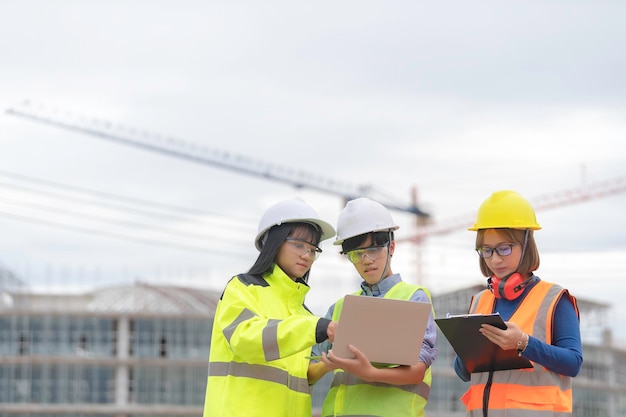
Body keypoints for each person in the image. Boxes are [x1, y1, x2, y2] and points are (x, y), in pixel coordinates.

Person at [203, 198, 338, 417]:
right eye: (298, 245)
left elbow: (297, 377)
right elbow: (246, 340)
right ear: (273, 243)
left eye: (313, 249)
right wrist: (315, 328)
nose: (307, 255)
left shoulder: (303, 313)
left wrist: (325, 365)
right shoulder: (243, 288)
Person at [454, 190, 583, 416]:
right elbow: (464, 373)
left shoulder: (554, 299)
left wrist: (524, 343)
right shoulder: (479, 301)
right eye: (487, 250)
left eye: (504, 248)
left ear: (526, 243)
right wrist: (465, 349)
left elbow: (573, 363)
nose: (495, 259)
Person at [309, 197, 438, 417]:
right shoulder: (339, 308)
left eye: (375, 249)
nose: (367, 260)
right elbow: (310, 374)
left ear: (392, 248)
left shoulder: (414, 298)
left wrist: (370, 372)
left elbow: (417, 370)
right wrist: (327, 365)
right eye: (357, 254)